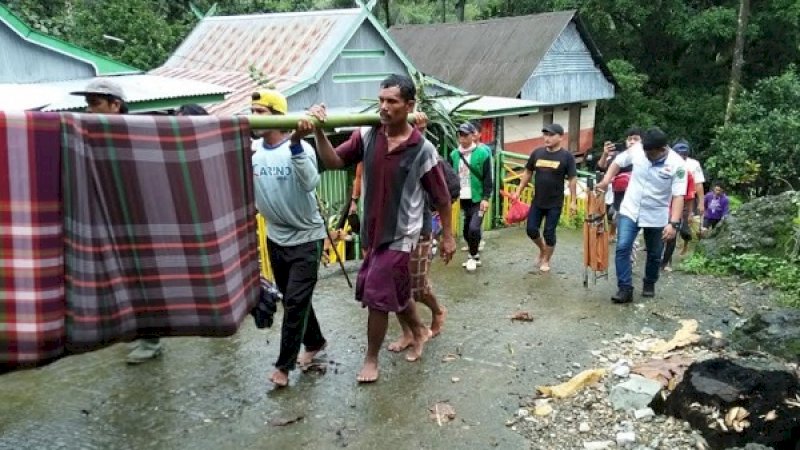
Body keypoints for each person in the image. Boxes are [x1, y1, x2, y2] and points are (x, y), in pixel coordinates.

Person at [296, 74, 456, 383]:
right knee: (394, 291)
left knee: (377, 298)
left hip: (401, 236)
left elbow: (442, 198)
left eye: (392, 101)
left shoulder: (422, 149)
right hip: (372, 234)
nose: (383, 107)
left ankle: (371, 359)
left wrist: (447, 236)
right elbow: (331, 161)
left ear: (409, 106)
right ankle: (420, 331)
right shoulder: (368, 136)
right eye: (381, 100)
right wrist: (318, 130)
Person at [71, 79, 163, 364]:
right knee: (121, 277)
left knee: (143, 278)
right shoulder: (90, 134)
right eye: (88, 104)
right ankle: (138, 332)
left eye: (96, 103)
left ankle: (152, 339)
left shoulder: (137, 132)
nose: (89, 110)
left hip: (139, 217)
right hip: (110, 216)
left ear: (116, 104)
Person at [250, 89, 329, 388]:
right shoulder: (252, 150)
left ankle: (283, 367)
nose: (254, 117)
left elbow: (311, 182)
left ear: (277, 117)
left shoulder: (301, 149)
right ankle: (315, 341)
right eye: (252, 111)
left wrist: (296, 143)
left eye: (260, 112)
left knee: (295, 302)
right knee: (295, 299)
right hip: (276, 237)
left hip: (307, 239)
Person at [595, 127, 687, 303]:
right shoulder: (638, 149)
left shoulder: (677, 165)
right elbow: (617, 162)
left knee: (654, 253)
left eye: (650, 153)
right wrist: (606, 180)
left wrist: (673, 223)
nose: (645, 155)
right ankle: (625, 288)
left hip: (656, 214)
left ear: (662, 149)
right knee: (622, 247)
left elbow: (678, 196)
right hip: (631, 208)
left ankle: (649, 282)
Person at [512, 123, 577, 272]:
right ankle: (542, 249)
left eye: (551, 135)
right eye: (545, 135)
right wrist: (518, 191)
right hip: (538, 200)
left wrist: (573, 201)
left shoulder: (567, 157)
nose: (547, 138)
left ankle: (546, 259)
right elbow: (528, 172)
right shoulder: (537, 153)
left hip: (555, 202)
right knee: (531, 229)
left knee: (549, 232)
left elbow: (573, 179)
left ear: (561, 137)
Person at [450, 122, 493, 271]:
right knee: (467, 230)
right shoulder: (454, 155)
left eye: (465, 135)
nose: (462, 138)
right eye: (460, 135)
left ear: (472, 136)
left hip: (478, 198)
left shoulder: (482, 153)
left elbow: (488, 178)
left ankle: (472, 256)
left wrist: (486, 198)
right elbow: (451, 176)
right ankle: (473, 251)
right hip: (463, 198)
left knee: (474, 228)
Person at [598, 127, 642, 241]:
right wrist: (605, 154)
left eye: (635, 139)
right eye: (629, 139)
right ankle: (613, 234)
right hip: (616, 193)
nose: (631, 141)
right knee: (614, 214)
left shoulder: (645, 158)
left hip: (637, 197)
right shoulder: (619, 156)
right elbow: (601, 167)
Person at [660, 152, 696, 272]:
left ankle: (665, 262)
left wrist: (690, 213)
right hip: (660, 208)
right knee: (658, 236)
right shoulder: (663, 169)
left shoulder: (688, 175)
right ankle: (658, 260)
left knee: (671, 237)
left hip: (677, 210)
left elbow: (690, 196)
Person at [673, 140, 705, 219]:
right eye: (680, 154)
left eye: (685, 154)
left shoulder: (694, 164)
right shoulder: (669, 163)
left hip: (690, 198)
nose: (682, 156)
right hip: (673, 197)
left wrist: (701, 202)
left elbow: (698, 183)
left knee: (689, 220)